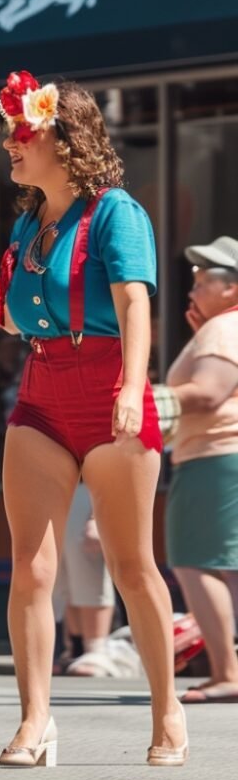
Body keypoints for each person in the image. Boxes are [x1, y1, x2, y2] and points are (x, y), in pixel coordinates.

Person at [0, 71, 186, 767]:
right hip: (41, 391)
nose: (10, 143)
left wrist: (134, 387)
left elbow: (135, 303)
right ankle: (35, 721)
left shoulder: (118, 212)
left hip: (108, 390)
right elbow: (14, 312)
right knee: (31, 570)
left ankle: (168, 715)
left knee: (133, 568)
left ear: (62, 138)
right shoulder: (28, 222)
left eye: (22, 130)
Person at [161, 237, 238, 703]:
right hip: (220, 455)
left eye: (203, 280)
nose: (191, 290)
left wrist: (142, 399)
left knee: (197, 561)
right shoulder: (223, 327)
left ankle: (228, 672)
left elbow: (208, 393)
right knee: (225, 566)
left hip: (213, 455)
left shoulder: (223, 329)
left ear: (232, 290)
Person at [51, 482, 116, 676]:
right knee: (62, 576)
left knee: (87, 569)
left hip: (89, 485)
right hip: (57, 484)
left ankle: (96, 649)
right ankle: (75, 646)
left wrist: (96, 516)